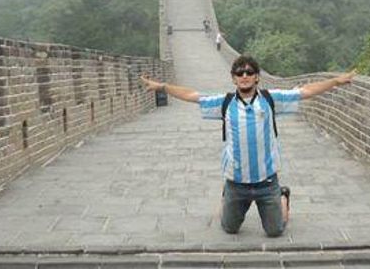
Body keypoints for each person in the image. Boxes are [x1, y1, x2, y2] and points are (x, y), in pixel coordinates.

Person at [139, 55, 355, 237]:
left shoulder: (270, 99)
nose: (244, 76)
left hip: (266, 181)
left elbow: (304, 92)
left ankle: (282, 196)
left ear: (257, 77)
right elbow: (192, 95)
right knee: (229, 228)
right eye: (239, 73)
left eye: (249, 72)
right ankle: (227, 195)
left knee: (275, 231)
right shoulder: (225, 102)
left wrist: (335, 82)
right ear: (233, 78)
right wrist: (162, 87)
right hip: (237, 182)